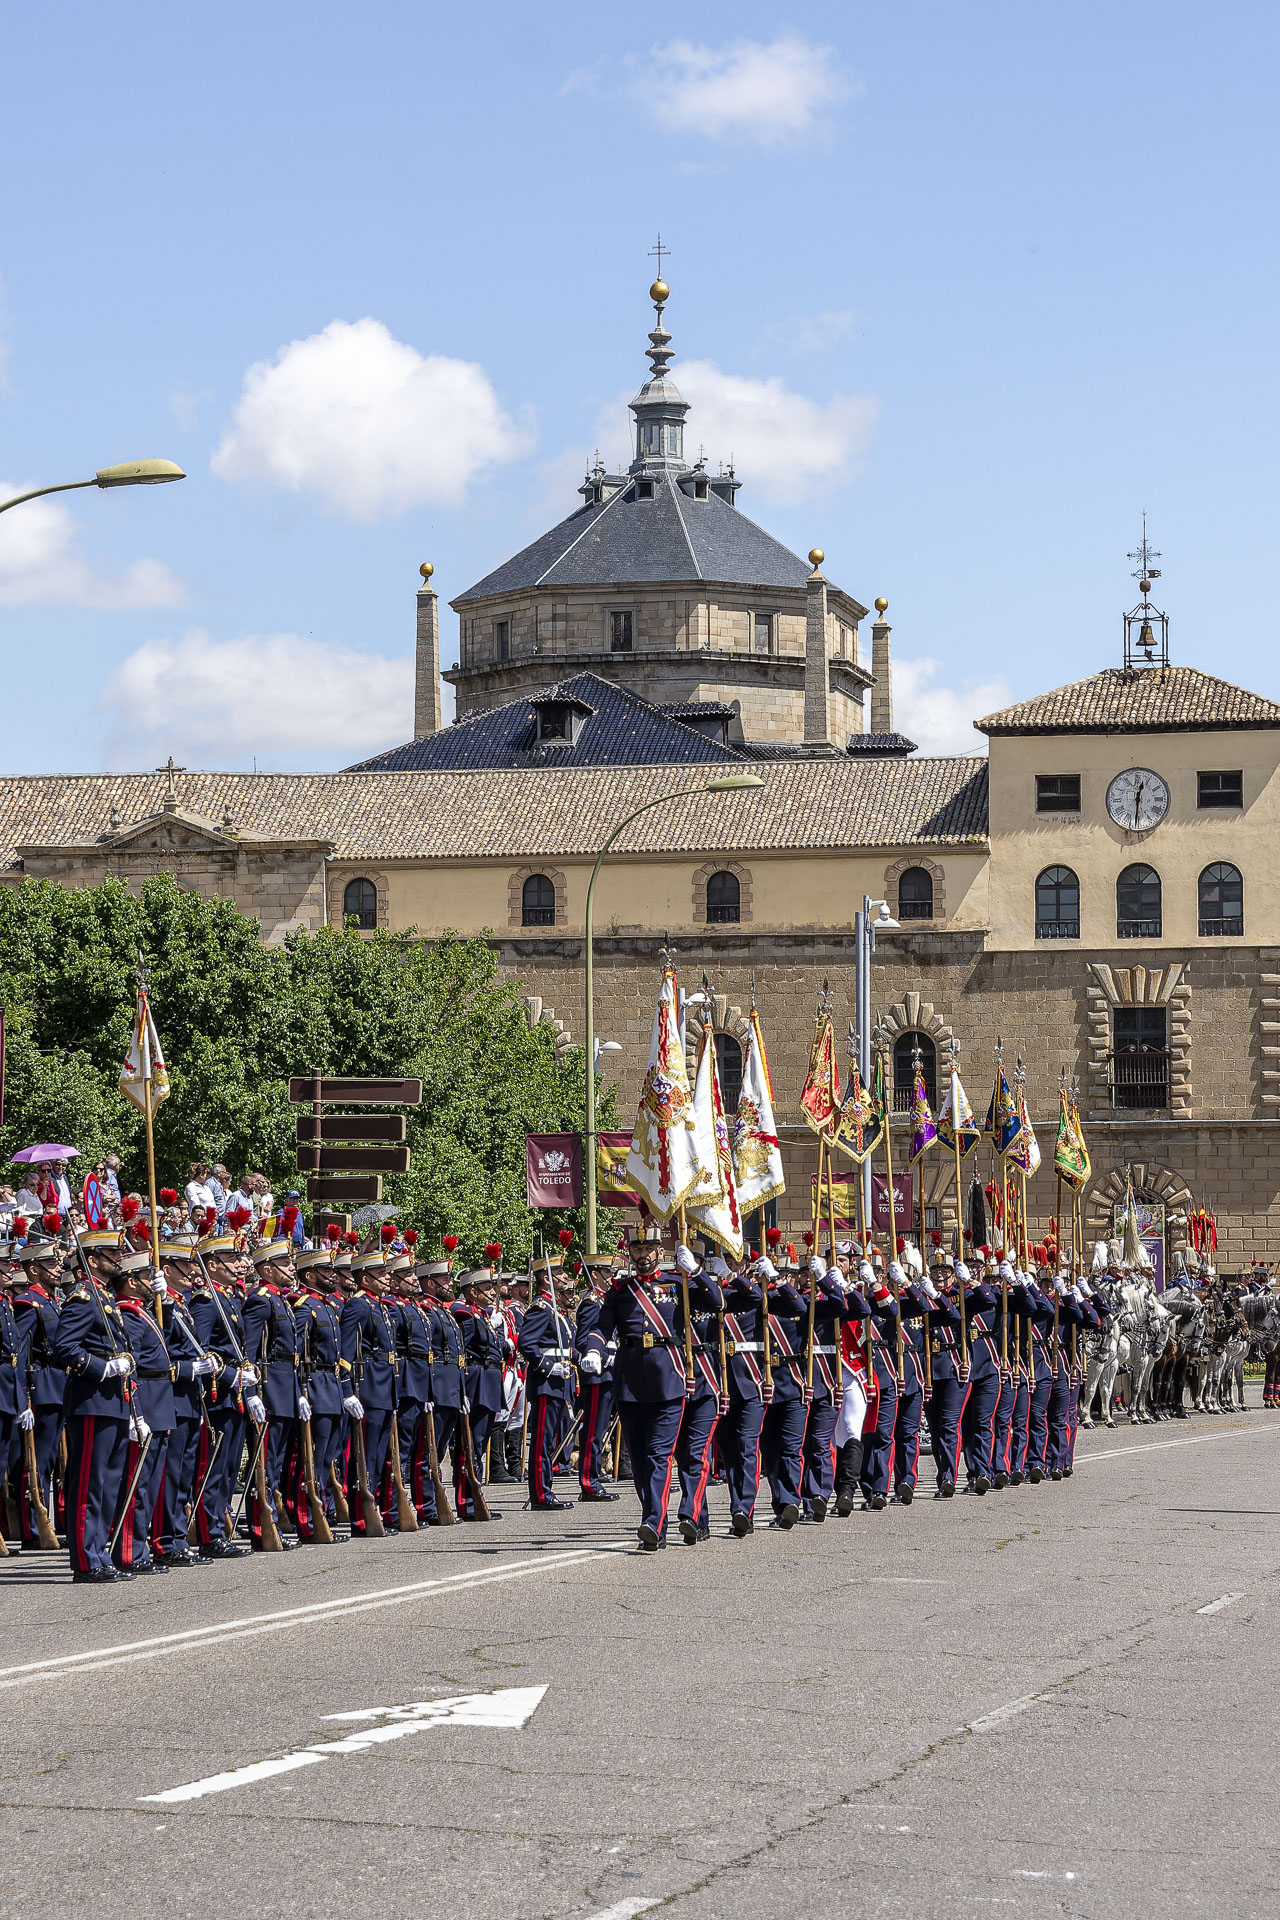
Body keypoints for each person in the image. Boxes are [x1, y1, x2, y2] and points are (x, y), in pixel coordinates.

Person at [594, 1229, 691, 1551]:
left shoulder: (679, 1284)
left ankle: (654, 1522)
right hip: (630, 1379)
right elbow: (601, 1325)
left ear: (659, 1252)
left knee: (658, 1455)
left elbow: (716, 1304)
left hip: (668, 1377)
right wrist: (593, 1349)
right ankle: (653, 1516)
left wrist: (699, 1273)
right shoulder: (621, 1290)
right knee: (638, 1457)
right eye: (638, 1248)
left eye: (649, 1248)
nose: (643, 1255)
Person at [53, 1227, 139, 1582]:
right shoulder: (84, 1299)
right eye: (111, 1256)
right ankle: (85, 1561)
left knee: (106, 1485)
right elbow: (64, 1348)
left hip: (113, 1402)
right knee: (88, 1483)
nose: (118, 1260)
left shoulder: (104, 1300)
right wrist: (103, 1368)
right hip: (91, 1401)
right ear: (92, 1262)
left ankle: (99, 1552)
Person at [109, 1248, 176, 1576]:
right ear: (132, 1282)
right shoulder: (127, 1313)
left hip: (160, 1398)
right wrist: (136, 1411)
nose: (154, 1280)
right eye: (148, 1276)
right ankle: (128, 1551)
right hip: (146, 1399)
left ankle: (140, 1546)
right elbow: (132, 1365)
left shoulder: (142, 1311)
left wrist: (169, 1303)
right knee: (137, 1483)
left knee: (149, 1482)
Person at [241, 1232, 303, 1550]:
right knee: (264, 1463)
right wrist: (250, 1391)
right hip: (268, 1389)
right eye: (283, 1263)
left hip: (285, 1390)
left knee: (275, 1462)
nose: (290, 1268)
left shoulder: (280, 1300)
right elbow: (249, 1352)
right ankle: (260, 1526)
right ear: (266, 1269)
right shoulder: (260, 1300)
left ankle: (273, 1524)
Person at [10, 1225, 64, 1548]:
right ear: (34, 1269)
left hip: (57, 1386)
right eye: (51, 1264)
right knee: (34, 1463)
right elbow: (20, 1353)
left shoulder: (50, 1301)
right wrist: (25, 1398)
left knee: (51, 1463)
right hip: (40, 1388)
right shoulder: (28, 1303)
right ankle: (31, 1528)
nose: (58, 1268)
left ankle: (48, 1523)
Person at [340, 1251, 401, 1534]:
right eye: (382, 1272)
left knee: (379, 1455)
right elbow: (346, 1351)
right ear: (366, 1278)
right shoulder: (359, 1305)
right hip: (368, 1388)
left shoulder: (379, 1306)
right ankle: (360, 1516)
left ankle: (372, 1507)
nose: (388, 1276)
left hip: (384, 1387)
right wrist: (346, 1387)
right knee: (366, 1456)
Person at [451, 1267, 510, 1520]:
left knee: (478, 1444)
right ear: (473, 1291)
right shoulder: (465, 1315)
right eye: (487, 1289)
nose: (492, 1292)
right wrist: (461, 1389)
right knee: (470, 1445)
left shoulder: (481, 1315)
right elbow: (461, 1354)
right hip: (476, 1383)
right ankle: (466, 1500)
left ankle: (474, 1497)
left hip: (488, 1383)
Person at [517, 1266, 577, 1510]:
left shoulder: (555, 1309)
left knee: (550, 1439)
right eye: (560, 1274)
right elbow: (526, 1343)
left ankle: (546, 1489)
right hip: (546, 1382)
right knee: (542, 1441)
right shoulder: (541, 1308)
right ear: (546, 1279)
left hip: (558, 1382)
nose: (565, 1278)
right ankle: (541, 1495)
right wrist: (549, 1367)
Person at [574, 1257, 619, 1502]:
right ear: (595, 1273)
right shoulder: (591, 1303)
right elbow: (583, 1340)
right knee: (592, 1431)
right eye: (606, 1271)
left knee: (601, 1431)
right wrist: (603, 1354)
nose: (610, 1275)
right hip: (596, 1375)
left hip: (610, 1373)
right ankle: (588, 1483)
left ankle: (595, 1476)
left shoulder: (605, 1301)